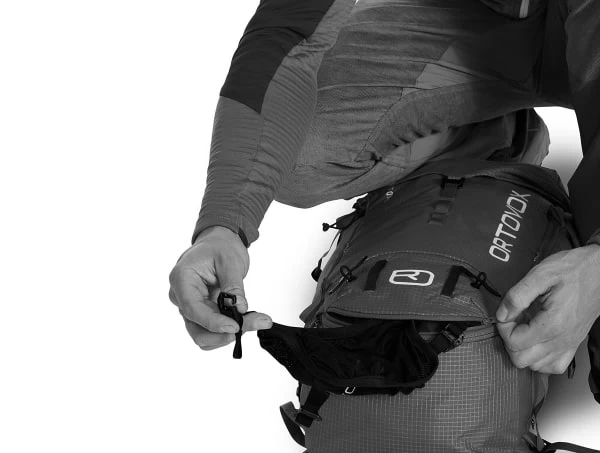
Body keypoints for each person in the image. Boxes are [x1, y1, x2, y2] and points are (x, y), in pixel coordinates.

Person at [168, 0, 600, 390]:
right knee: (297, 152)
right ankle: (488, 133)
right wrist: (224, 226)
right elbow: (287, 34)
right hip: (483, 22)